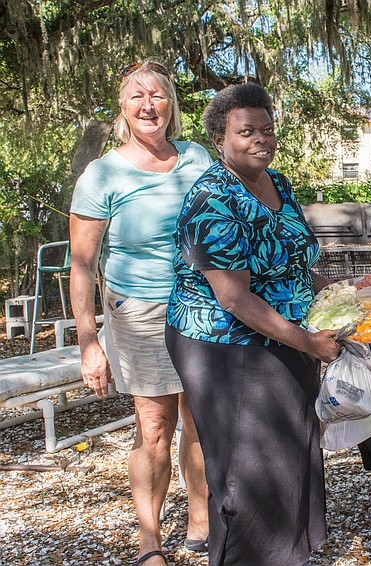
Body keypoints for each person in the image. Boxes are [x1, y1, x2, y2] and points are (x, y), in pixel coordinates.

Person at [164, 82, 341, 565]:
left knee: (289, 449)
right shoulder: (213, 199)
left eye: (267, 129)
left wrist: (345, 293)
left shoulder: (276, 183)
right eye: (246, 131)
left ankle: (287, 554)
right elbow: (234, 297)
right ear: (220, 139)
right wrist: (307, 341)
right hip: (227, 347)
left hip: (281, 335)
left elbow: (293, 263)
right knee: (250, 465)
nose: (260, 139)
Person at [69, 60, 211, 566]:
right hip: (141, 311)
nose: (148, 105)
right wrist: (89, 342)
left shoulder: (196, 158)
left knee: (200, 420)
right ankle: (149, 540)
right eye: (137, 97)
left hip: (204, 304)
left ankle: (201, 523)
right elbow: (82, 264)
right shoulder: (103, 173)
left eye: (157, 96)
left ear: (170, 105)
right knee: (154, 425)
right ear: (124, 108)